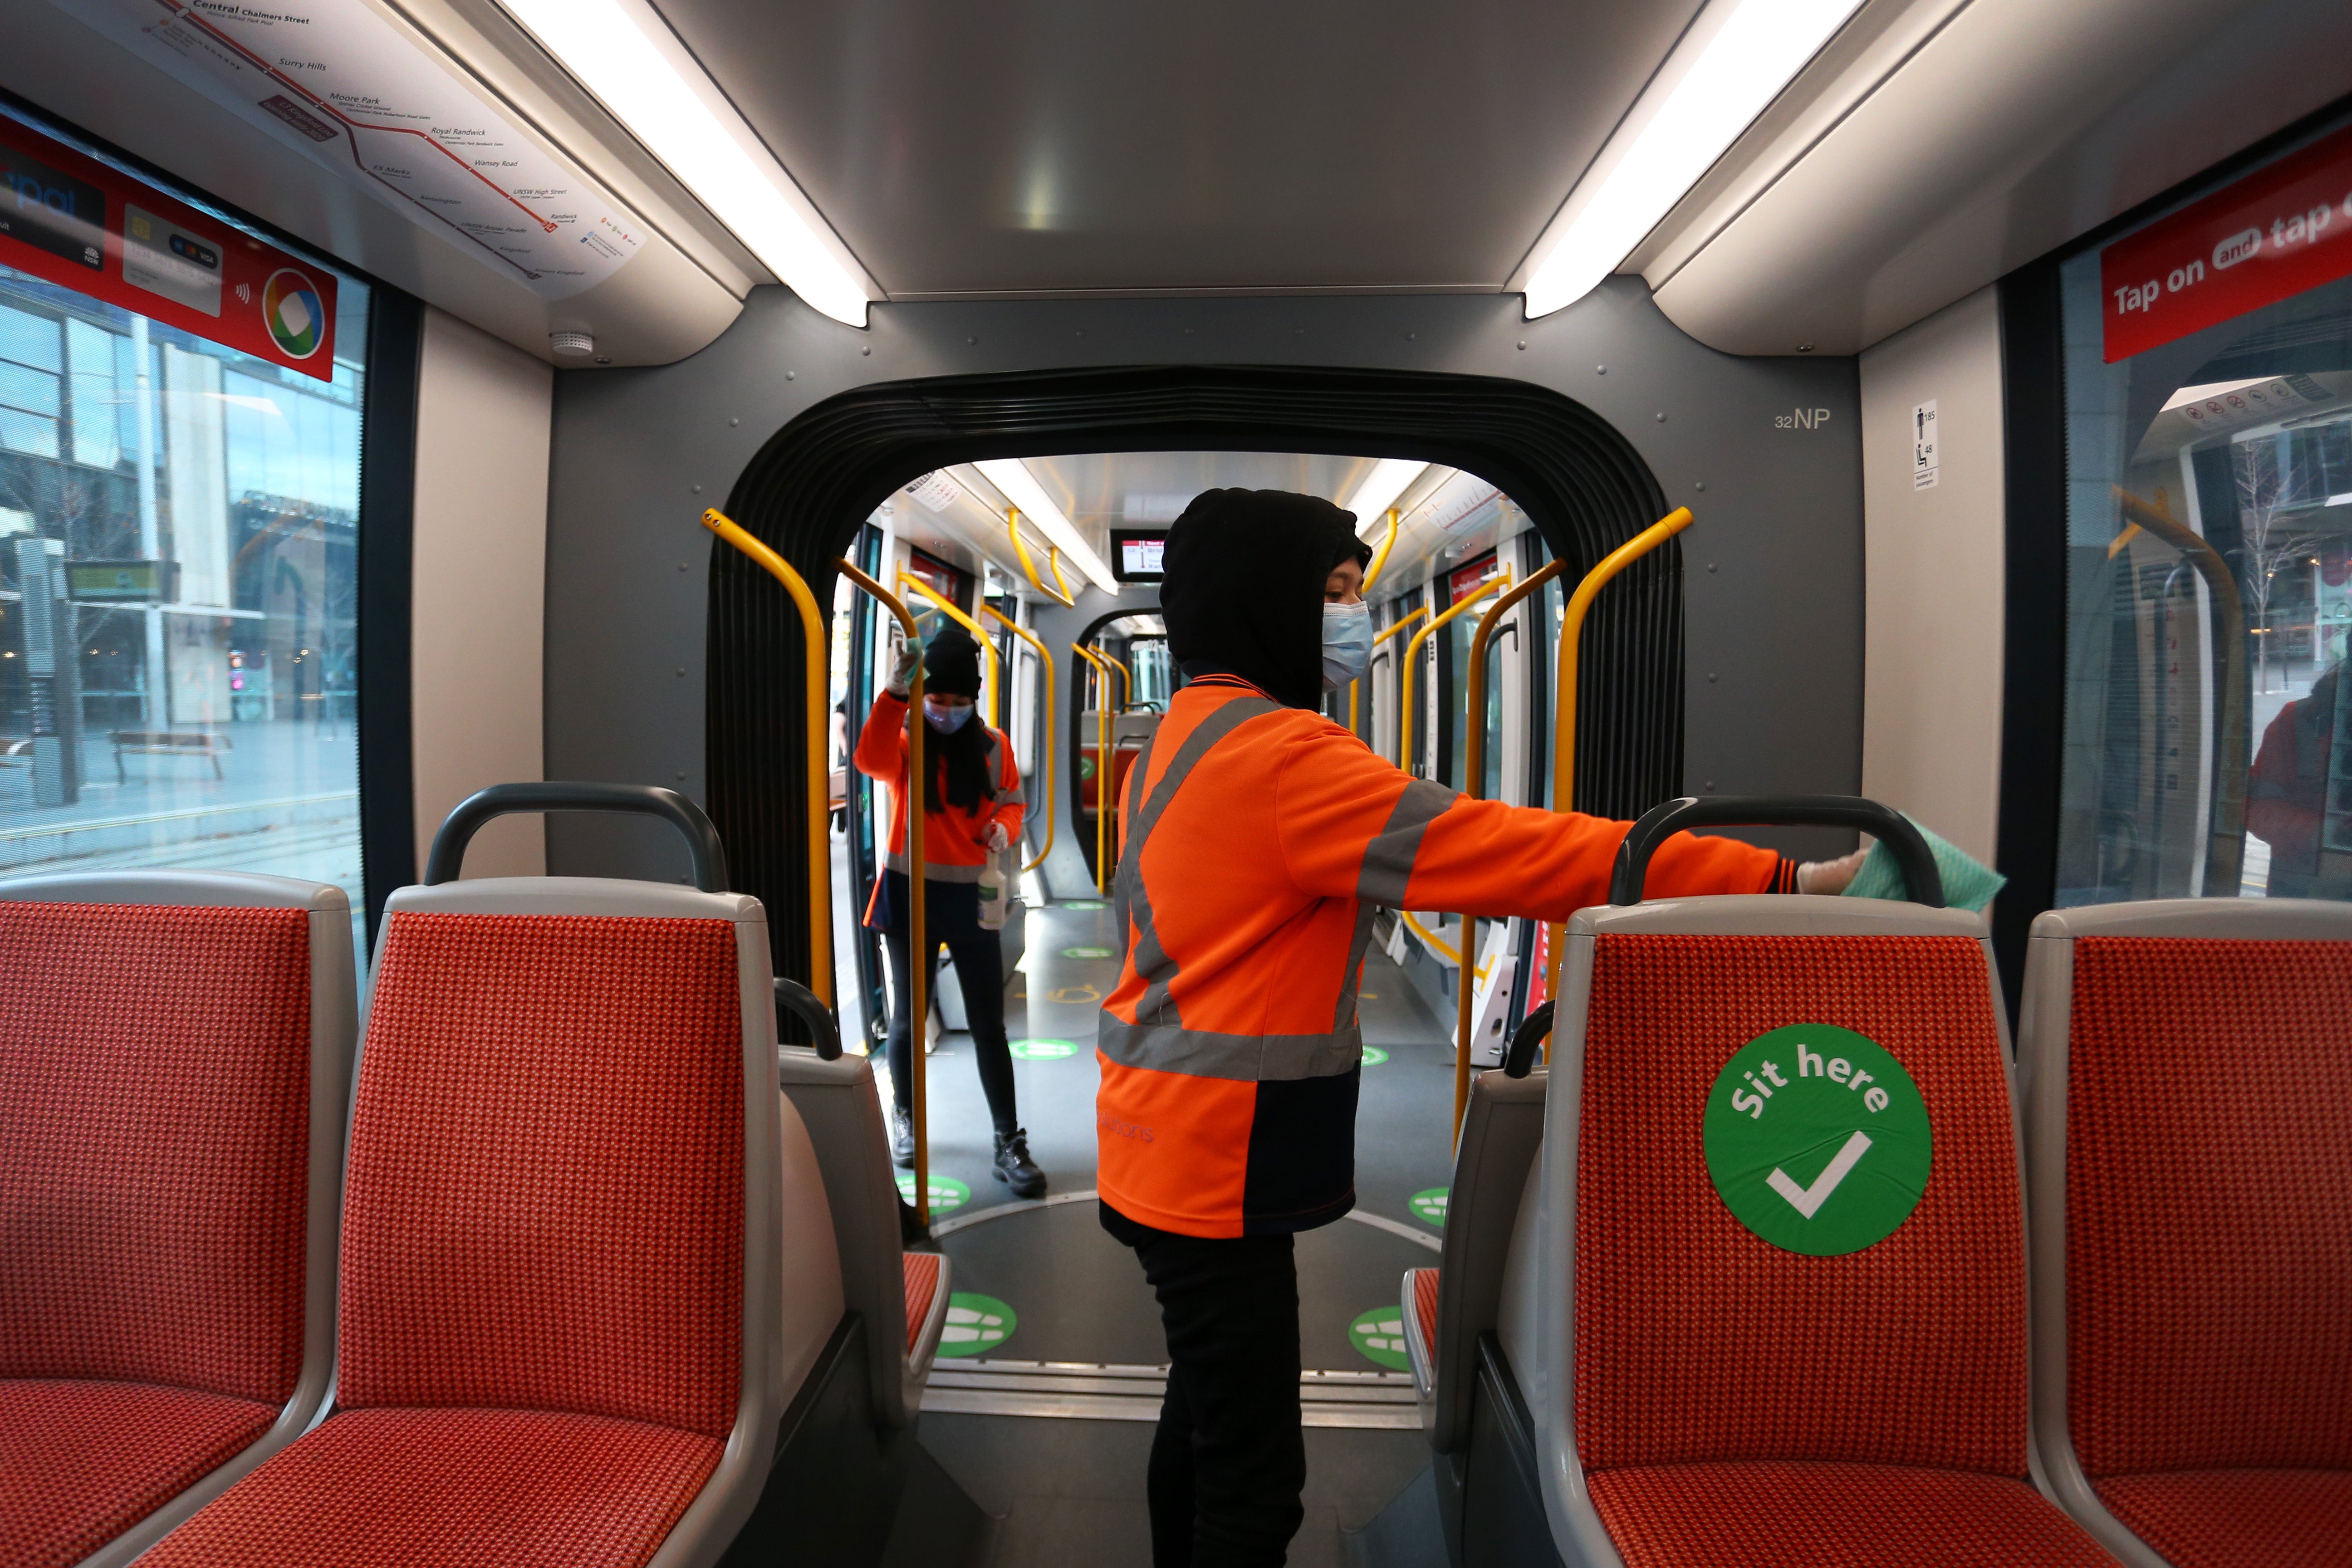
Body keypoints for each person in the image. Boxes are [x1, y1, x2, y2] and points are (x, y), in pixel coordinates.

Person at [1096, 488, 1864, 1567]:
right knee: (1254, 1479)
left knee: (1206, 1414)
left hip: (1164, 1137)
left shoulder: (1191, 725)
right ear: (1265, 599)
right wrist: (1775, 876)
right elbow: (1514, 849)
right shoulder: (1282, 758)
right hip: (1212, 1158)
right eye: (1330, 593)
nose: (1351, 616)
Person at [855, 624, 1045, 1198]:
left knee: (990, 1024)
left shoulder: (993, 746)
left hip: (972, 896)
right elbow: (867, 760)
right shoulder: (907, 741)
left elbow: (1013, 802)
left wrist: (1002, 829)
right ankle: (906, 1116)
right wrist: (894, 693)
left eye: (959, 703)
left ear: (975, 700)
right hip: (909, 891)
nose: (946, 712)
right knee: (910, 1017)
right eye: (936, 700)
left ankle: (1008, 1139)